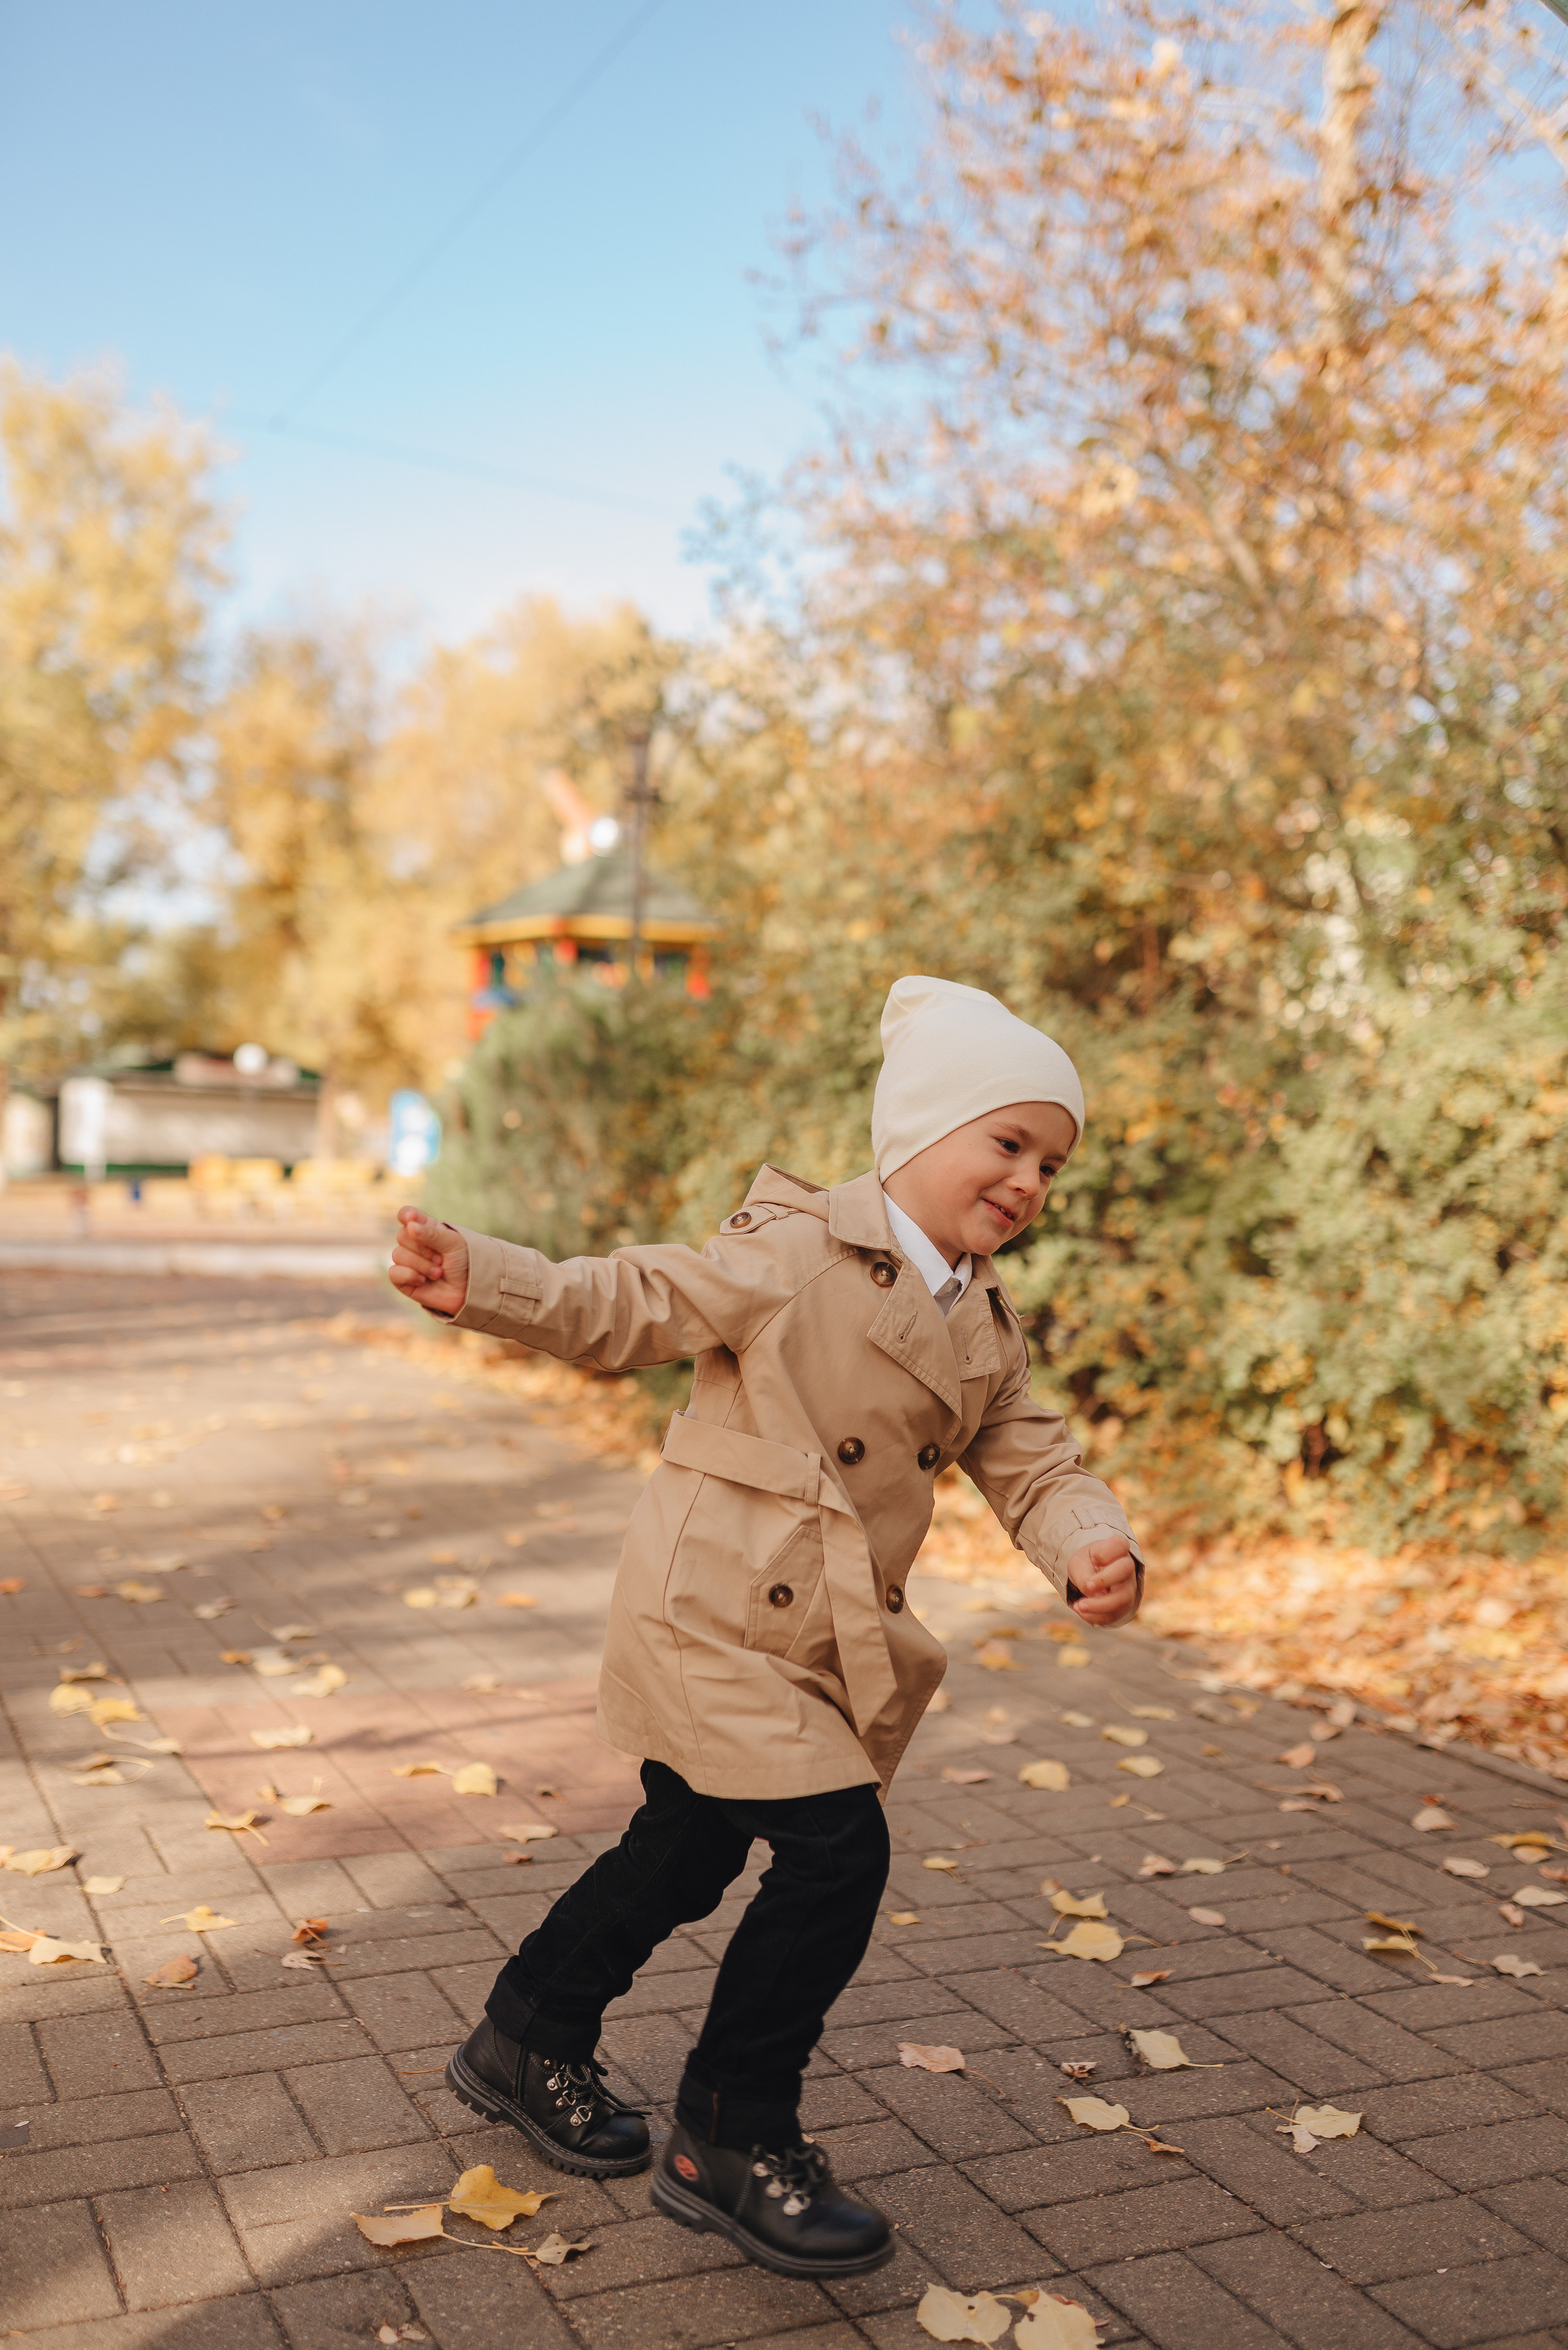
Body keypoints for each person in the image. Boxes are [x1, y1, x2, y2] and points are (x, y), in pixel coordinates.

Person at [388, 973, 1143, 2281]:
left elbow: (1031, 1459)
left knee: (683, 1848)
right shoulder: (793, 1249)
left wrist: (1085, 1536)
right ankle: (730, 2132)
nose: (1028, 1180)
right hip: (716, 1614)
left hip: (817, 1639)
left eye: (1050, 1162)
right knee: (834, 1851)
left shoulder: (979, 1321)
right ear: (916, 1130)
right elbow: (630, 1297)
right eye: (1006, 1142)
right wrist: (488, 1278)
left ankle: (524, 2033)